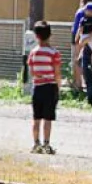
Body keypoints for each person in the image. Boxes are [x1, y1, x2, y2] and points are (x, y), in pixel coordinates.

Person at [27, 20, 61, 155]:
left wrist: (38, 76)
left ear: (36, 36)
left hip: (37, 87)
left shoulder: (33, 53)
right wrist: (58, 85)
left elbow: (31, 71)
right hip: (50, 87)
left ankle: (36, 144)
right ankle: (47, 144)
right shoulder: (54, 53)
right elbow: (57, 71)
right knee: (48, 118)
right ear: (50, 35)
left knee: (36, 118)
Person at [75, 3, 92, 106]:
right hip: (86, 49)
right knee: (87, 76)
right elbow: (80, 31)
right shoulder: (84, 20)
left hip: (90, 50)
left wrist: (90, 37)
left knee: (88, 75)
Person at [70, 0, 92, 91]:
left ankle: (78, 83)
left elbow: (77, 27)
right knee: (84, 59)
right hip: (88, 37)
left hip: (78, 37)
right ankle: (84, 82)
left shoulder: (80, 12)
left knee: (76, 60)